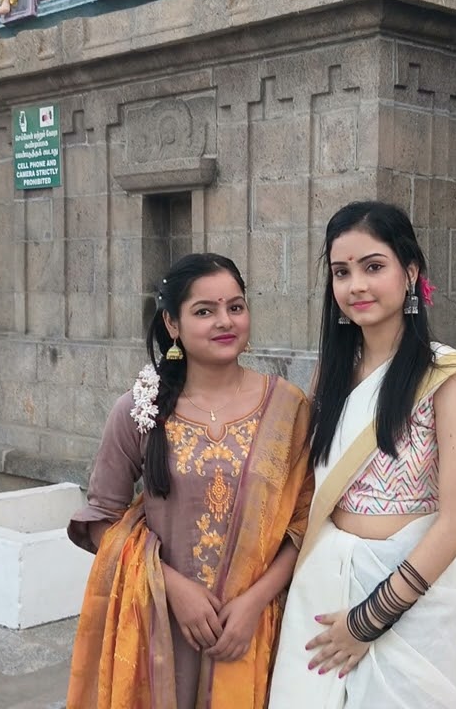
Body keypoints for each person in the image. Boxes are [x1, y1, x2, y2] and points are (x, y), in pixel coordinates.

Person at [269, 201, 456, 709]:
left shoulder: (447, 378)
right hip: (323, 587)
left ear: (410, 272)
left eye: (373, 266)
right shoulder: (331, 374)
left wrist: (367, 622)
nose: (356, 286)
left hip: (413, 600)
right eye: (342, 272)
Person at [66, 253, 313, 709]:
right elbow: (100, 521)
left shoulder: (288, 408)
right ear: (172, 323)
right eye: (204, 311)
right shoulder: (139, 409)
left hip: (254, 629)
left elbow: (303, 524)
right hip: (162, 626)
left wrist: (254, 602)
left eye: (235, 307)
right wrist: (173, 588)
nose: (225, 321)